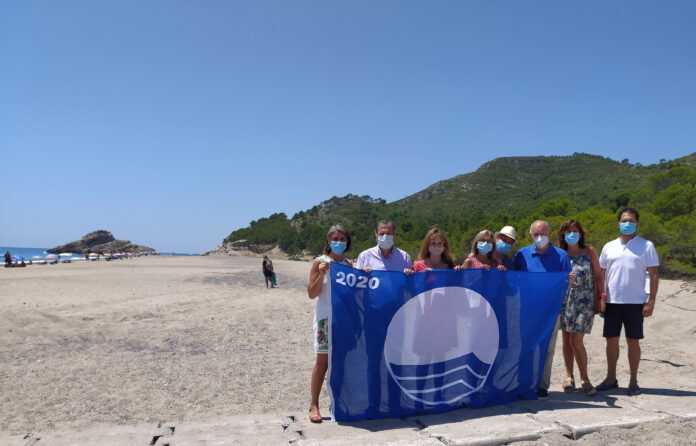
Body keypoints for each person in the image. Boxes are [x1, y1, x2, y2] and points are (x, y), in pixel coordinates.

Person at [596, 207, 659, 396]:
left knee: (633, 341)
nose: (627, 224)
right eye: (624, 221)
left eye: (631, 220)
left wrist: (651, 301)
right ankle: (611, 379)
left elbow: (654, 275)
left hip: (636, 302)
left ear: (637, 223)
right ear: (618, 223)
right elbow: (602, 275)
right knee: (611, 341)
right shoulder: (609, 246)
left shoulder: (646, 246)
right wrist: (602, 298)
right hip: (612, 302)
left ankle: (633, 381)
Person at [514, 220, 572, 399]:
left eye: (543, 233)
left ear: (550, 233)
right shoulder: (521, 255)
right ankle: (523, 383)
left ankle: (542, 385)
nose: (540, 237)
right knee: (526, 347)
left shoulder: (561, 255)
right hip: (528, 310)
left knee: (547, 349)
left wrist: (569, 281)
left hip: (551, 310)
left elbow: (567, 284)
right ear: (530, 235)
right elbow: (515, 280)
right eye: (536, 234)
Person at [307, 224, 353, 423]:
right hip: (325, 319)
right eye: (335, 238)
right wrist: (322, 273)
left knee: (341, 363)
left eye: (342, 239)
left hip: (343, 320)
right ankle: (314, 404)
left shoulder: (349, 265)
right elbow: (311, 293)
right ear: (328, 240)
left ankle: (338, 401)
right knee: (322, 362)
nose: (339, 242)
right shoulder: (319, 262)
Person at [557, 219, 603, 395]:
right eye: (568, 231)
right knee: (566, 341)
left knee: (576, 341)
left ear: (581, 234)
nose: (571, 234)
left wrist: (602, 297)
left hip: (585, 303)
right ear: (562, 235)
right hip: (565, 301)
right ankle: (569, 377)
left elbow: (598, 276)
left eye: (575, 231)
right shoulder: (560, 254)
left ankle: (585, 378)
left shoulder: (589, 251)